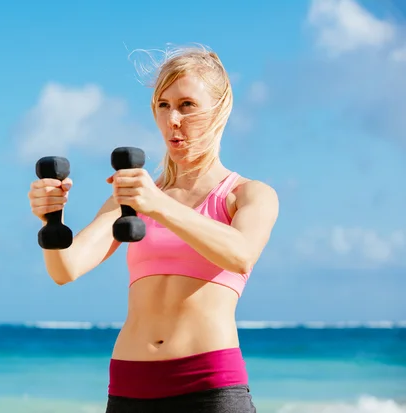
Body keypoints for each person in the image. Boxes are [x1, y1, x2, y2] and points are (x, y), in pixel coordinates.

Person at [27, 44, 279, 413]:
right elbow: (65, 269)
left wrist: (158, 204)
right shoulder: (133, 197)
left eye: (187, 105)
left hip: (207, 384)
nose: (172, 119)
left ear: (220, 110)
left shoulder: (247, 194)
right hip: (131, 385)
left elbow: (240, 254)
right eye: (163, 105)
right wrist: (52, 219)